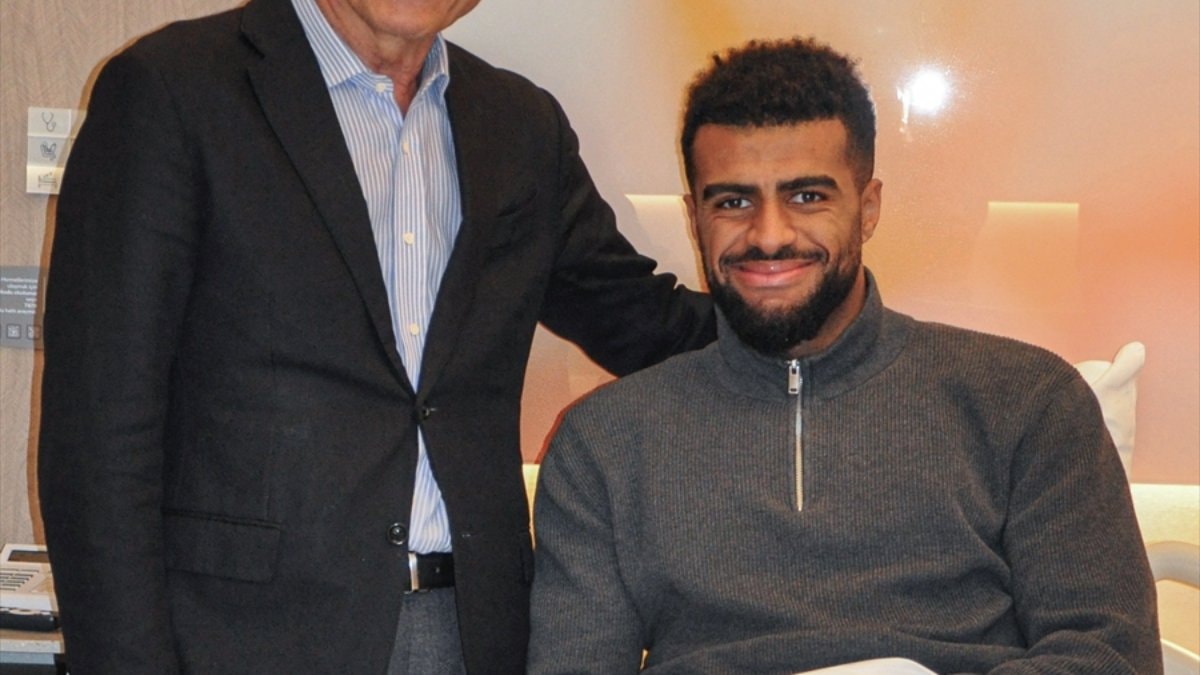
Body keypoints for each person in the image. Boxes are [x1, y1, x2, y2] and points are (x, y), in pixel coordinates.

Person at [36, 0, 715, 672]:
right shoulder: (173, 88)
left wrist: (785, 302)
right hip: (245, 637)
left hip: (475, 634)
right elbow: (98, 431)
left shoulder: (521, 124)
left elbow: (644, 321)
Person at [528, 37, 1161, 674]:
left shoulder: (1026, 400)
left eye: (807, 196)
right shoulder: (602, 445)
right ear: (696, 219)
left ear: (868, 208)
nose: (769, 235)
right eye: (734, 202)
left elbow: (1111, 655)